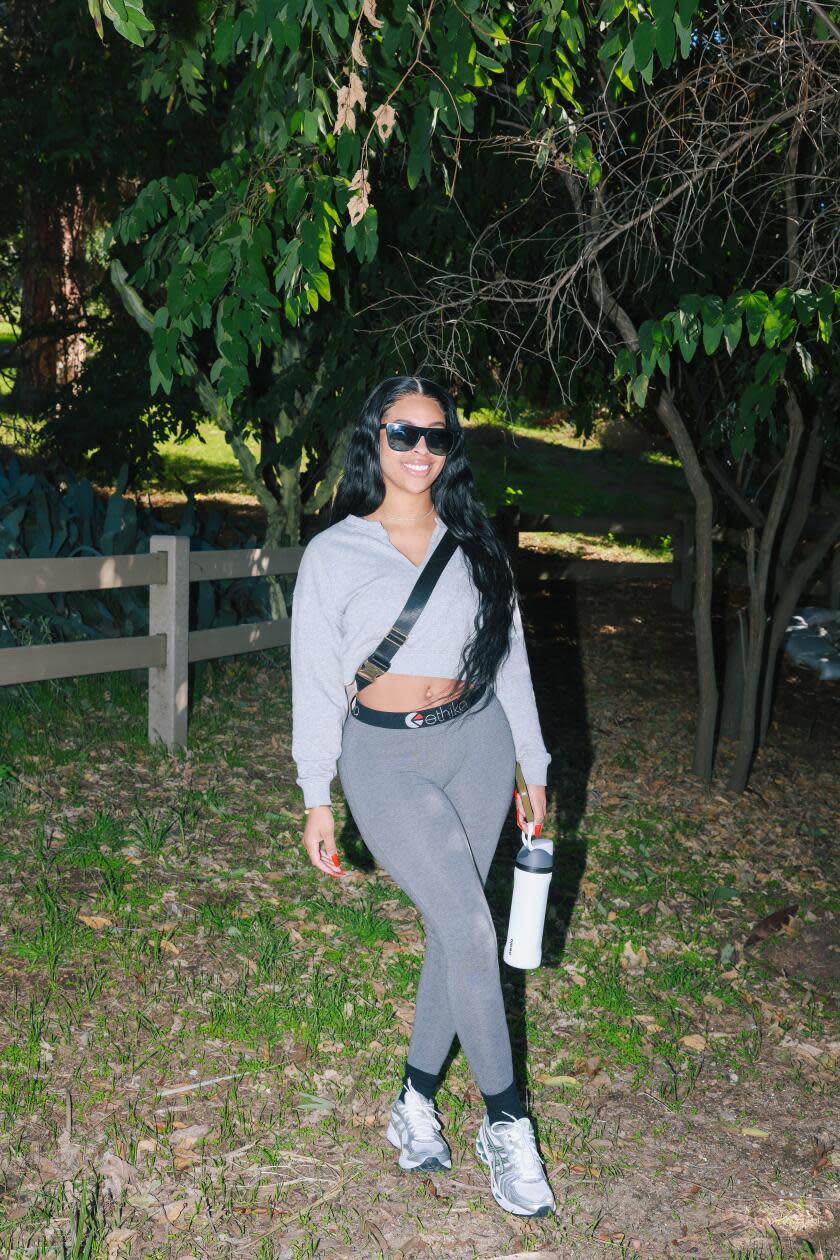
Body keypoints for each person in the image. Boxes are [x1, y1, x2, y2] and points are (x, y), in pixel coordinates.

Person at [290, 376, 555, 1218]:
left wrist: (534, 766)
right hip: (385, 761)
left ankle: (413, 1105)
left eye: (435, 437)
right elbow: (312, 683)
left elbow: (509, 661)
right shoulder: (334, 552)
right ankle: (508, 1124)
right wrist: (315, 793)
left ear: (451, 450)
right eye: (402, 434)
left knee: (457, 930)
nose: (418, 452)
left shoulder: (477, 544)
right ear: (373, 438)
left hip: (476, 742)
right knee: (471, 926)